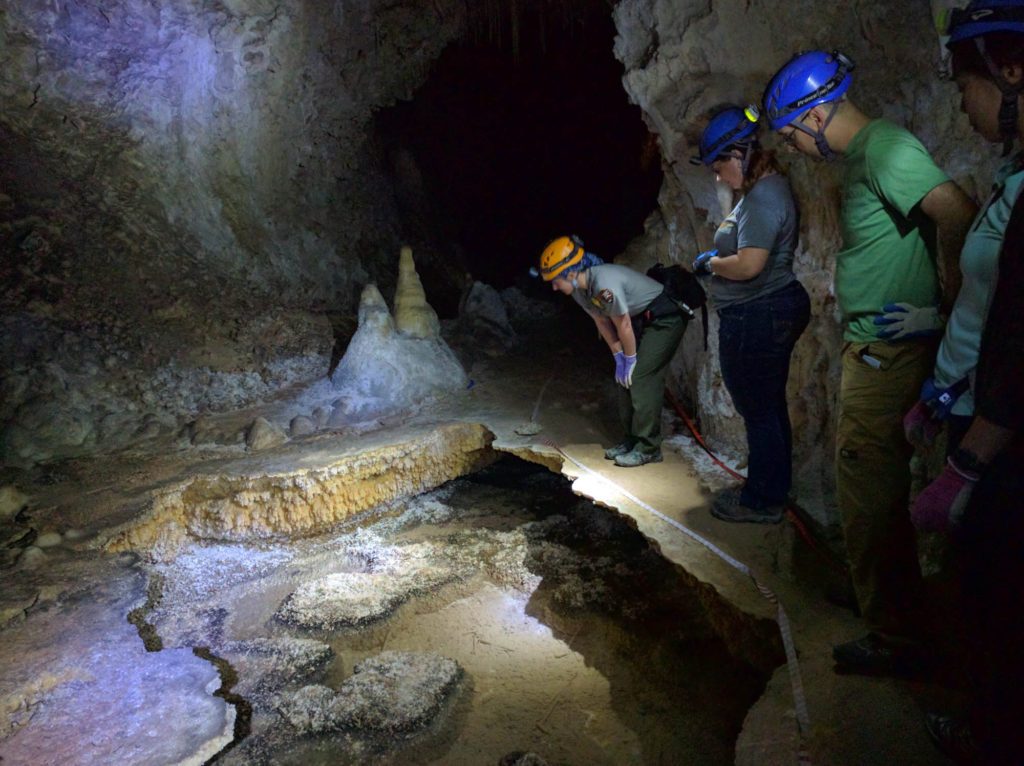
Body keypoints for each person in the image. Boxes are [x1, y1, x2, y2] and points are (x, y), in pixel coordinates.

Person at [762, 50, 978, 676]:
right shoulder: (861, 160)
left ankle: (897, 637)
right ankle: (876, 593)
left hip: (890, 351)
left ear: (816, 112)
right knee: (861, 479)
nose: (796, 147)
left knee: (870, 485)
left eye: (791, 134)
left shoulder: (885, 149)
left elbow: (957, 211)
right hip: (871, 345)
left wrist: (944, 312)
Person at [904, 3, 1024, 761]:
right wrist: (939, 394)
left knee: (1002, 602)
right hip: (976, 410)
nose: (960, 103)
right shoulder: (1014, 177)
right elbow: (990, 314)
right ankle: (988, 721)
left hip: (1004, 444)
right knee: (982, 597)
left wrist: (968, 462)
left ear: (1011, 71)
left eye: (965, 84)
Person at [689, 105, 811, 524]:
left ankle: (762, 500)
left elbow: (748, 265)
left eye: (720, 166)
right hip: (766, 307)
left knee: (758, 408)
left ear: (739, 153)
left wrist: (709, 265)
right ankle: (770, 488)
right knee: (767, 406)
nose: (718, 176)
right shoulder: (763, 193)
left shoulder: (762, 197)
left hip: (758, 310)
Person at [537, 235, 688, 467]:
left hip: (665, 319)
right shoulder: (580, 290)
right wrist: (618, 356)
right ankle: (631, 440)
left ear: (570, 273)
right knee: (623, 380)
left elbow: (623, 324)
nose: (554, 287)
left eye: (555, 280)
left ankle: (648, 448)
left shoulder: (603, 284)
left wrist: (631, 358)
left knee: (641, 376)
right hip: (641, 321)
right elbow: (601, 322)